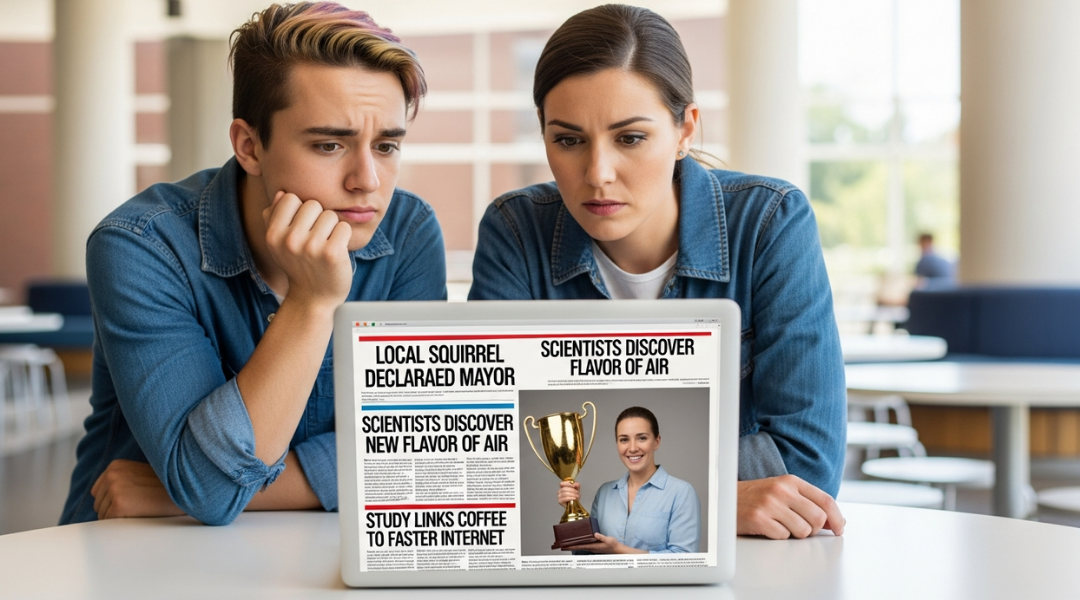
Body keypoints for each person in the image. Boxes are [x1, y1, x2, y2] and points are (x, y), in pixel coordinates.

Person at [60, 2, 446, 526]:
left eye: (385, 146)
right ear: (249, 146)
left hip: (309, 552)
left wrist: (178, 491)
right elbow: (211, 488)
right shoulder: (141, 246)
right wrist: (312, 302)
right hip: (140, 557)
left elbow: (427, 450)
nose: (368, 181)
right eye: (330, 144)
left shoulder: (407, 232)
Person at [469, 4, 846, 540]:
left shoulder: (769, 223)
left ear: (685, 128)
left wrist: (602, 493)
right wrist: (715, 500)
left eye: (630, 138)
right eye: (569, 140)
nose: (597, 174)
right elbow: (477, 459)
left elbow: (806, 470)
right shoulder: (516, 230)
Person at [557, 407, 700, 554]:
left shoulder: (681, 492)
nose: (632, 448)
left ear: (657, 441)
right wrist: (572, 509)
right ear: (617, 444)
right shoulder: (604, 493)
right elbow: (586, 555)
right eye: (624, 439)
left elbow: (684, 559)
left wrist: (618, 550)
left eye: (642, 438)